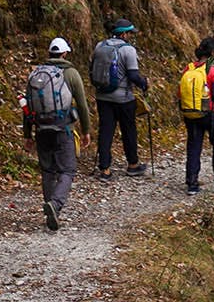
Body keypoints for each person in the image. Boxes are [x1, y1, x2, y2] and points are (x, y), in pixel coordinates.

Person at [22, 36, 91, 231]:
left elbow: (26, 107)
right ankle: (56, 204)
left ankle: (51, 211)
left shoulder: (36, 75)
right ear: (65, 53)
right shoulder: (71, 74)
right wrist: (86, 131)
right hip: (63, 128)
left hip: (41, 129)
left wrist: (27, 135)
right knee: (67, 170)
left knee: (48, 171)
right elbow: (83, 105)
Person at [91, 18, 149, 180]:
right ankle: (132, 165)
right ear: (123, 34)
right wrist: (144, 83)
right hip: (123, 98)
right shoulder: (128, 50)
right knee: (128, 130)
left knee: (106, 131)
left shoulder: (99, 46)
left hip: (102, 96)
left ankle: (105, 169)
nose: (130, 36)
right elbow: (133, 75)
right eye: (129, 33)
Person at [182, 37, 214, 194]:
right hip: (211, 113)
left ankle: (192, 184)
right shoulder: (213, 70)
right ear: (212, 52)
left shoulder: (188, 68)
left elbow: (180, 93)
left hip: (191, 113)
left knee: (194, 146)